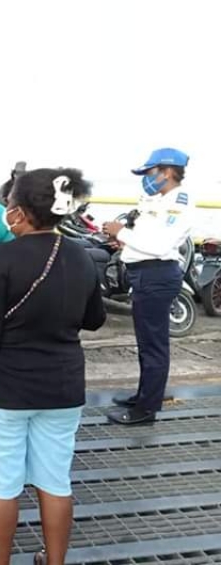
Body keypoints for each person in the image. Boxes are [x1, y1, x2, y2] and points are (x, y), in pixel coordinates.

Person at [0, 168, 106, 565]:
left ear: (20, 210)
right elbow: (94, 319)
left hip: (8, 391)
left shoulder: (1, 257)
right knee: (55, 483)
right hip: (64, 388)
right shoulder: (82, 256)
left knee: (2, 487)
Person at [103, 148, 193, 425]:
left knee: (154, 346)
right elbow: (145, 240)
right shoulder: (159, 201)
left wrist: (122, 232)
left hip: (156, 276)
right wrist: (124, 240)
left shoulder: (177, 203)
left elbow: (159, 245)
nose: (146, 178)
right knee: (146, 343)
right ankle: (144, 395)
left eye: (149, 172)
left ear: (166, 172)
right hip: (145, 275)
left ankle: (146, 409)